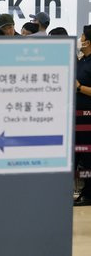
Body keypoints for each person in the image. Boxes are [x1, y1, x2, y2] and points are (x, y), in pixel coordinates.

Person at [74, 25, 91, 206]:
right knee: (76, 156)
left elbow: (78, 86)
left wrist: (79, 87)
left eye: (83, 36)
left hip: (88, 120)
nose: (80, 39)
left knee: (88, 158)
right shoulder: (81, 61)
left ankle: (88, 194)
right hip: (76, 120)